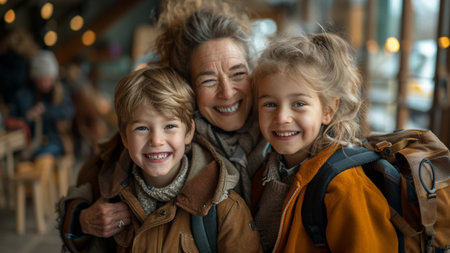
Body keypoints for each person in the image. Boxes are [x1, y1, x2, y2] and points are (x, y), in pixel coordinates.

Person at [59, 0, 267, 242]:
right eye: (208, 80)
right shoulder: (153, 146)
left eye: (238, 74)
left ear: (253, 73)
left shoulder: (281, 137)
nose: (228, 92)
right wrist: (83, 219)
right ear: (187, 87)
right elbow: (85, 188)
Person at [58, 66, 262, 252]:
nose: (156, 140)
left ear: (189, 132)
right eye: (142, 128)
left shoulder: (224, 207)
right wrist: (82, 221)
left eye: (170, 126)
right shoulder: (106, 187)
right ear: (124, 138)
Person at [251, 33, 398, 252]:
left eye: (299, 103)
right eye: (270, 104)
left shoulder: (345, 186)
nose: (282, 117)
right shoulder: (264, 172)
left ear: (328, 110)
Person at [8, 49, 74, 175]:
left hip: (55, 140)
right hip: (29, 143)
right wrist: (28, 117)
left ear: (53, 77)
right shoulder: (24, 95)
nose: (45, 84)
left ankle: (38, 189)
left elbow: (69, 111)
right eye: (41, 80)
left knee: (40, 157)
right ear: (35, 78)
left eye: (48, 79)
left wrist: (46, 110)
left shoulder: (60, 92)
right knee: (20, 162)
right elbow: (13, 119)